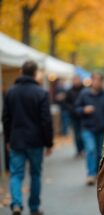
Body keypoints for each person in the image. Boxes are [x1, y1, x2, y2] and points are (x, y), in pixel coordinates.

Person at [2, 60, 53, 215]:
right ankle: (34, 207)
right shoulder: (41, 92)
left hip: (17, 140)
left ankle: (16, 203)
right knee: (35, 174)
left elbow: (5, 118)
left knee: (16, 174)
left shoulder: (11, 92)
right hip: (36, 141)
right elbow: (46, 120)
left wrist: (8, 140)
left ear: (21, 72)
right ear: (35, 73)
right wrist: (49, 142)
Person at [75, 73, 104, 185]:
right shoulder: (84, 94)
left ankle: (98, 173)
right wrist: (83, 110)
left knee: (98, 152)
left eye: (99, 80)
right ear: (91, 81)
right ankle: (90, 174)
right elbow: (76, 108)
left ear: (102, 82)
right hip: (87, 127)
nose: (96, 82)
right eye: (94, 80)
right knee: (90, 150)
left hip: (101, 128)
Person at [65, 75, 84, 157]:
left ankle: (83, 149)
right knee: (76, 134)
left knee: (83, 134)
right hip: (74, 116)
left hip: (83, 116)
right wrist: (72, 110)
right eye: (75, 80)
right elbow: (66, 103)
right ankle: (79, 150)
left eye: (77, 80)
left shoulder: (84, 90)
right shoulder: (69, 91)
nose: (76, 81)